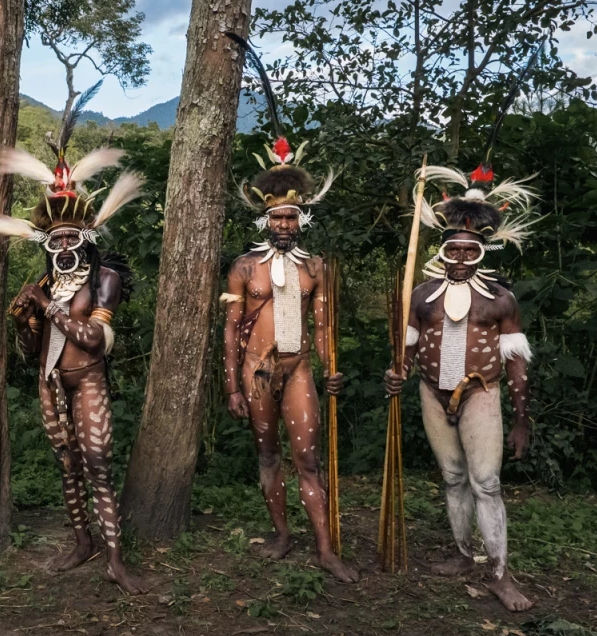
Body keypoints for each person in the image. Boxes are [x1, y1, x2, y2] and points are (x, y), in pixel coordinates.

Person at [0, 88, 149, 593]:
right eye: (57, 240)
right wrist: (23, 322)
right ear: (47, 244)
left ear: (86, 238)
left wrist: (49, 307)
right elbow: (33, 352)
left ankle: (115, 560)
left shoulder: (103, 279)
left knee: (98, 465)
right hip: (50, 385)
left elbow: (94, 339)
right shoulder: (47, 283)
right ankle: (82, 542)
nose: (65, 245)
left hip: (88, 382)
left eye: (73, 237)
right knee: (68, 466)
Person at [384, 162, 537, 611]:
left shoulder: (500, 300)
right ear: (443, 249)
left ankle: (501, 574)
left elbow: (516, 362)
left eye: (471, 252)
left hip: (480, 393)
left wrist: (521, 419)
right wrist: (396, 374)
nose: (461, 259)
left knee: (485, 482)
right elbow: (405, 352)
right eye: (454, 250)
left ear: (483, 252)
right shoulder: (421, 296)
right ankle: (464, 554)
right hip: (432, 392)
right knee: (453, 478)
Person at [221, 136, 356, 582]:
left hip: (297, 369)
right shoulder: (244, 267)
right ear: (265, 219)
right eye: (277, 216)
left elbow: (322, 328)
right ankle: (282, 535)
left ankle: (325, 549)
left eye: (290, 216)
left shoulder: (315, 267)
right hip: (257, 372)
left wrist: (330, 367)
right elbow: (230, 330)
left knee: (308, 460)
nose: (283, 223)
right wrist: (232, 387)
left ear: (301, 220)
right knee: (267, 456)